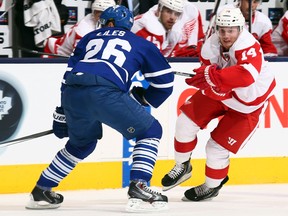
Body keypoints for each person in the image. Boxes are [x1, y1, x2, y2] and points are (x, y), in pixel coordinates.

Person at [25, 5, 174, 212]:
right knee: (150, 131)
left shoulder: (88, 38)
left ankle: (42, 190)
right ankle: (139, 186)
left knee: (81, 144)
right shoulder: (140, 43)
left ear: (109, 23)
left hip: (73, 93)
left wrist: (61, 112)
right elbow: (165, 84)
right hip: (106, 92)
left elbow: (68, 74)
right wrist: (144, 97)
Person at [161, 8, 276, 201]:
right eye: (222, 30)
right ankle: (182, 165)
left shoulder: (249, 43)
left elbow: (246, 76)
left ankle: (211, 186)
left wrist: (213, 79)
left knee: (216, 149)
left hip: (248, 103)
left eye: (231, 30)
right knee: (184, 122)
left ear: (240, 29)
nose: (225, 35)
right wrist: (208, 80)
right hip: (222, 92)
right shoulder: (211, 44)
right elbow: (209, 74)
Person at [131, 0, 205, 57]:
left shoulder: (157, 12)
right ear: (159, 10)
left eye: (176, 14)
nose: (172, 17)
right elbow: (155, 63)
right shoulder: (151, 28)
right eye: (168, 12)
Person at [44, 0, 116, 57]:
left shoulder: (112, 23)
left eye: (106, 13)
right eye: (98, 12)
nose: (102, 16)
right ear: (93, 12)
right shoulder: (83, 29)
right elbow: (80, 55)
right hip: (55, 54)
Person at [207, 0, 277, 57]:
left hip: (247, 61)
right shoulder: (224, 12)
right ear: (240, 1)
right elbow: (211, 42)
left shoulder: (263, 21)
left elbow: (269, 51)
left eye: (255, 2)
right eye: (248, 1)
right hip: (222, 59)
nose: (252, 5)